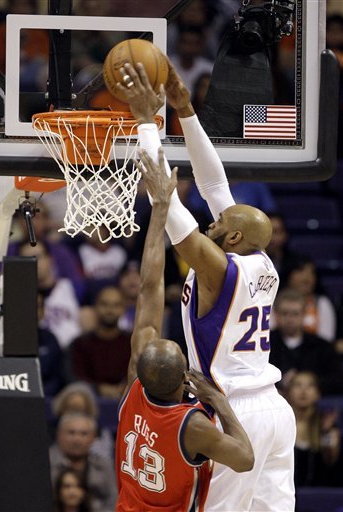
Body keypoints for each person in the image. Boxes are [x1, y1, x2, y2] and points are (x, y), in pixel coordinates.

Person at [119, 60, 295, 511]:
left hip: (238, 412)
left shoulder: (220, 268)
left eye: (221, 222)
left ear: (231, 237)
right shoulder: (260, 260)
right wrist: (184, 110)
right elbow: (214, 182)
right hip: (275, 410)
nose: (215, 217)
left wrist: (146, 125)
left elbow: (172, 215)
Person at [115, 146, 254, 510]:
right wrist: (218, 402)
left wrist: (159, 210)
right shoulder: (190, 426)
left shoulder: (133, 390)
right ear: (184, 383)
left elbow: (148, 290)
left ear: (141, 374)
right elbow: (245, 459)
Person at [269, 288, 342, 395]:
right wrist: (279, 382)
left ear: (304, 315)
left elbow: (337, 379)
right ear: (276, 315)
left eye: (295, 314)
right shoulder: (265, 345)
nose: (290, 319)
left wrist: (309, 383)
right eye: (285, 313)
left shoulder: (322, 346)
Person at [49, 412, 117, 512]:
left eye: (83, 434)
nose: (77, 439)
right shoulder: (45, 463)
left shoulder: (104, 465)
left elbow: (113, 498)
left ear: (94, 437)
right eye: (71, 433)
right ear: (59, 435)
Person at [285, 371, 342, 488]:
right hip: (286, 493)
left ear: (318, 393)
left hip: (319, 493)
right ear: (289, 392)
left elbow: (330, 459)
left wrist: (326, 432)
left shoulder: (326, 423)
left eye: (310, 386)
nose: (303, 391)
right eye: (297, 385)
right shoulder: (281, 422)